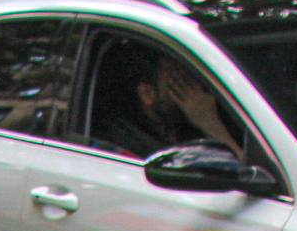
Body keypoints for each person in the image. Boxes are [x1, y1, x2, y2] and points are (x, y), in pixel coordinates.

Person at [100, 49, 246, 160]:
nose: (196, 89)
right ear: (147, 93)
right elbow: (251, 174)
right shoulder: (131, 143)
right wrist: (211, 124)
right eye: (180, 81)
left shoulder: (188, 128)